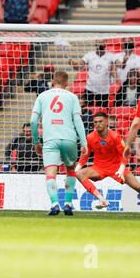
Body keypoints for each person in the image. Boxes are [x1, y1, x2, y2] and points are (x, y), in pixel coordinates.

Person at [30, 71, 87, 216]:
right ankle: (68, 204)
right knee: (71, 169)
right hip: (69, 139)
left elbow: (33, 121)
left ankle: (55, 204)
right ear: (67, 83)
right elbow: (78, 121)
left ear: (52, 82)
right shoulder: (73, 97)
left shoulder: (42, 96)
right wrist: (84, 143)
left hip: (50, 139)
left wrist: (37, 141)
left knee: (50, 174)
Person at [76, 112, 140, 209]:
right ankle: (101, 199)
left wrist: (122, 168)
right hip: (99, 168)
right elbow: (84, 156)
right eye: (95, 122)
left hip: (117, 168)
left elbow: (124, 153)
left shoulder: (115, 136)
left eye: (100, 121)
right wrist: (77, 168)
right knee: (79, 174)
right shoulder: (90, 137)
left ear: (106, 122)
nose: (98, 124)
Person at [69, 41, 117, 107]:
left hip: (104, 90)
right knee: (87, 109)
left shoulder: (111, 56)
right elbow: (79, 66)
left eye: (102, 42)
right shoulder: (89, 55)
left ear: (105, 44)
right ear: (96, 44)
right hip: (90, 88)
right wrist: (73, 63)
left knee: (102, 111)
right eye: (98, 42)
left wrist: (125, 61)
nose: (100, 44)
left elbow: (120, 64)